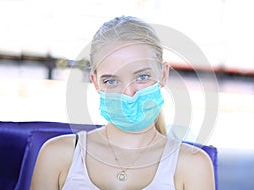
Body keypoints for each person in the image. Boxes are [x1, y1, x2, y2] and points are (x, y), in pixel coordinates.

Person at [30, 16, 215, 190]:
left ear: (163, 75)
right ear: (96, 83)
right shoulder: (56, 155)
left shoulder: (193, 165)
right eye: (111, 81)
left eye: (142, 77)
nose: (129, 94)